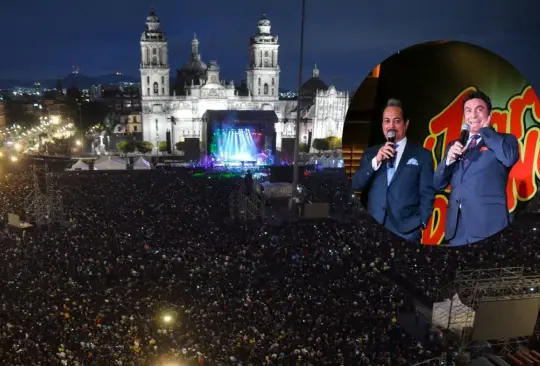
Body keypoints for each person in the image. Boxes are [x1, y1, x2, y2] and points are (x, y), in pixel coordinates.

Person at [433, 90, 519, 246]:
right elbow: (438, 184)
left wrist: (486, 132)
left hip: (488, 224)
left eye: (479, 110)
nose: (473, 115)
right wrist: (448, 160)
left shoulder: (505, 140)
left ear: (489, 114)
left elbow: (509, 159)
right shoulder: (455, 145)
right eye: (468, 111)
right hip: (457, 228)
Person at [352, 98, 435, 242]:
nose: (391, 126)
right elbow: (356, 184)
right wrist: (376, 160)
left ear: (406, 124)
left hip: (407, 230)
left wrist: (422, 222)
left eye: (396, 121)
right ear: (382, 125)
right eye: (386, 121)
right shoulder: (371, 154)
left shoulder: (422, 155)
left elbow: (427, 193)